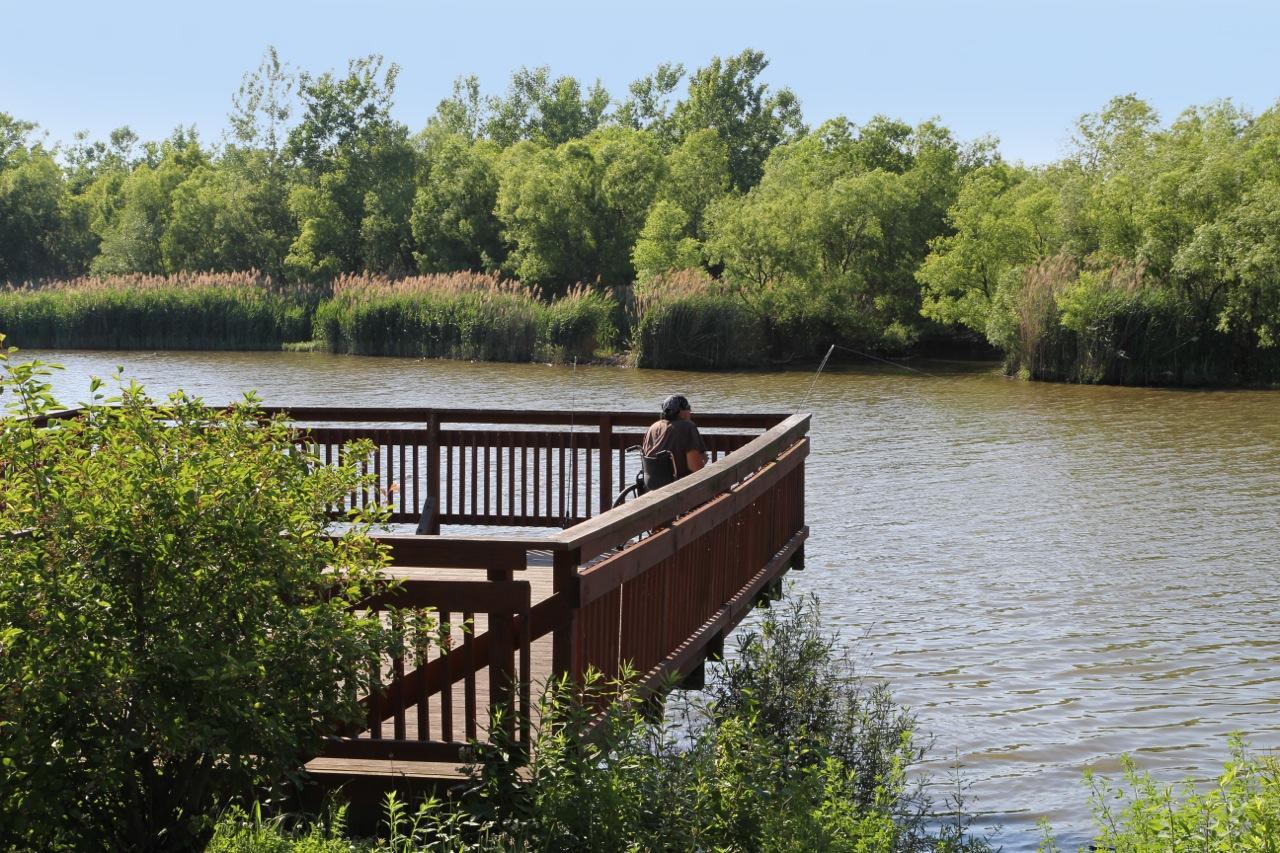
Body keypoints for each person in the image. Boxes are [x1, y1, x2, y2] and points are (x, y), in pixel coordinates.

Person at [641, 394, 707, 487]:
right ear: (682, 412)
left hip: (651, 484)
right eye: (688, 408)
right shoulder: (688, 427)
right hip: (677, 487)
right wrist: (703, 460)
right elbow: (695, 467)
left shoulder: (653, 427)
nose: (690, 412)